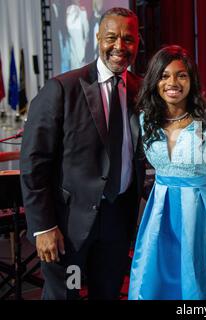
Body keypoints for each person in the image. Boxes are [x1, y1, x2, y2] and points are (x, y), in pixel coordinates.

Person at [20, 7, 144, 300]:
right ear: (98, 38)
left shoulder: (141, 90)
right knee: (68, 294)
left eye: (128, 39)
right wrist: (43, 227)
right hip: (67, 229)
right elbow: (34, 163)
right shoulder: (62, 88)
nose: (119, 46)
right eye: (111, 37)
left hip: (116, 223)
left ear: (137, 42)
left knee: (108, 293)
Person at [128, 45, 206, 300]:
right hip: (160, 212)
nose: (172, 82)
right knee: (156, 285)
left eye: (181, 75)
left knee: (202, 285)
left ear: (191, 80)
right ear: (155, 81)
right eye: (164, 76)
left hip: (202, 212)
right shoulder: (144, 120)